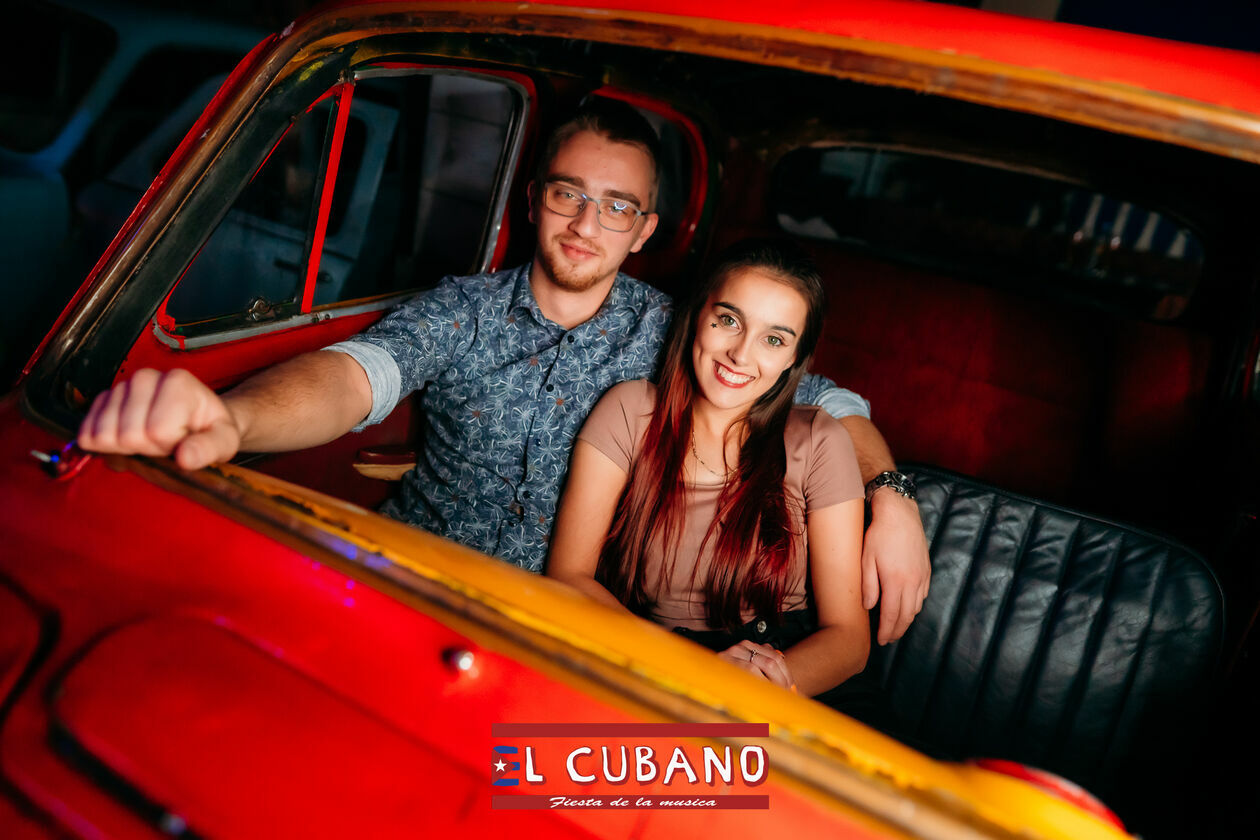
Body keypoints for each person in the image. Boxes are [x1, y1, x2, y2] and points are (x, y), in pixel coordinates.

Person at [76, 99, 929, 643]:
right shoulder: (464, 309)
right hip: (404, 579)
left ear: (645, 229)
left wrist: (890, 494)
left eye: (617, 207)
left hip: (560, 627)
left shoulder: (679, 333)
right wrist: (235, 419)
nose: (586, 224)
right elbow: (353, 376)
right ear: (533, 201)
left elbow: (821, 397)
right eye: (567, 194)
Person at [547, 239, 869, 700]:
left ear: (793, 360)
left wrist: (752, 693)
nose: (741, 354)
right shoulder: (630, 410)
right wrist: (692, 671)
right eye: (729, 320)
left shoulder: (819, 439)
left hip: (785, 680)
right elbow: (568, 576)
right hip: (660, 664)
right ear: (698, 315)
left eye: (774, 339)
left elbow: (849, 639)